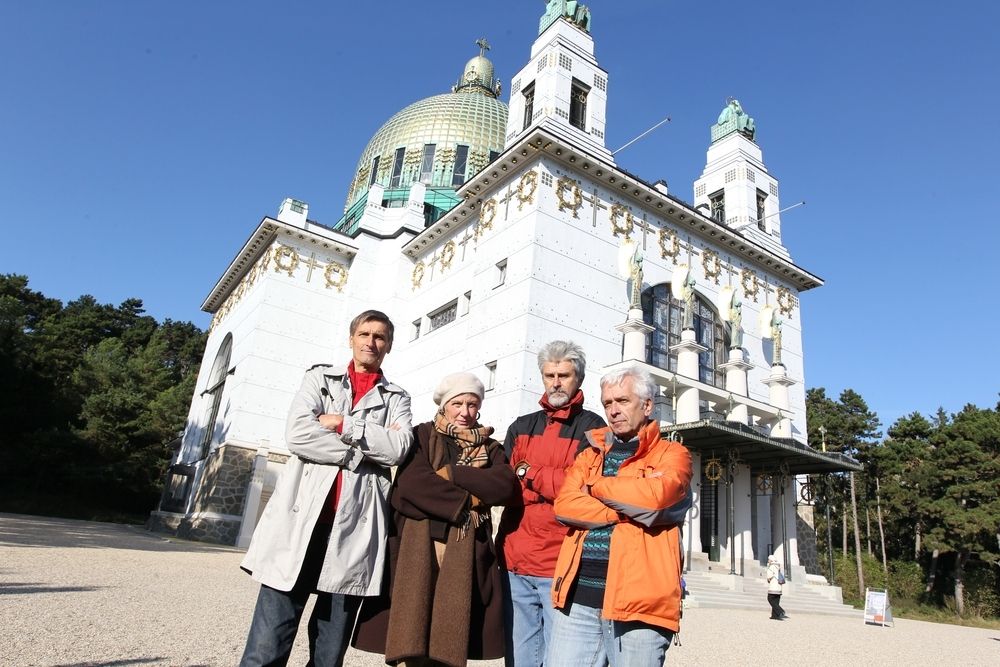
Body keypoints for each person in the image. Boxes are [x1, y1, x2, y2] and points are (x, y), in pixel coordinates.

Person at [239, 310, 413, 666]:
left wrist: (342, 424)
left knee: (329, 654)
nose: (371, 342)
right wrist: (359, 453)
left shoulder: (397, 398)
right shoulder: (319, 379)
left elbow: (397, 449)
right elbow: (298, 434)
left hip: (353, 532)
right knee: (266, 647)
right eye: (364, 334)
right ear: (351, 339)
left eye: (380, 337)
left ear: (389, 345)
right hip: (301, 524)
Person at [353, 372, 519, 667]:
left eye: (472, 404)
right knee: (414, 635)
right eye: (457, 404)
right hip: (419, 548)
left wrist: (452, 474)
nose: (465, 412)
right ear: (444, 405)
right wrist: (470, 498)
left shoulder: (491, 447)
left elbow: (504, 486)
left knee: (449, 636)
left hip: (465, 553)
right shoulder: (422, 436)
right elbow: (411, 486)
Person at [546, 365, 693, 667]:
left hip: (640, 603)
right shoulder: (590, 454)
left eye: (623, 401)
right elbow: (565, 505)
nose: (613, 411)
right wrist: (629, 506)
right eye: (607, 403)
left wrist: (595, 486)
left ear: (647, 406)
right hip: (578, 597)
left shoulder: (672, 454)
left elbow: (656, 499)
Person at [496, 341, 605, 667]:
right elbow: (505, 486)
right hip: (515, 561)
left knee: (561, 659)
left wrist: (528, 473)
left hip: (562, 563)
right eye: (549, 375)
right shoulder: (520, 426)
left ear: (578, 379)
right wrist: (551, 483)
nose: (556, 383)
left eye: (564, 375)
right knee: (520, 659)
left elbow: (582, 491)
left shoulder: (594, 428)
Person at [766, 555, 787, 620]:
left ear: (771, 560)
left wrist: (768, 580)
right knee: (776, 600)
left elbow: (769, 576)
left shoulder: (771, 567)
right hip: (779, 587)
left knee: (770, 599)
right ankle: (774, 615)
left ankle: (780, 611)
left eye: (769, 559)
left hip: (773, 586)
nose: (768, 561)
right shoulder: (778, 566)